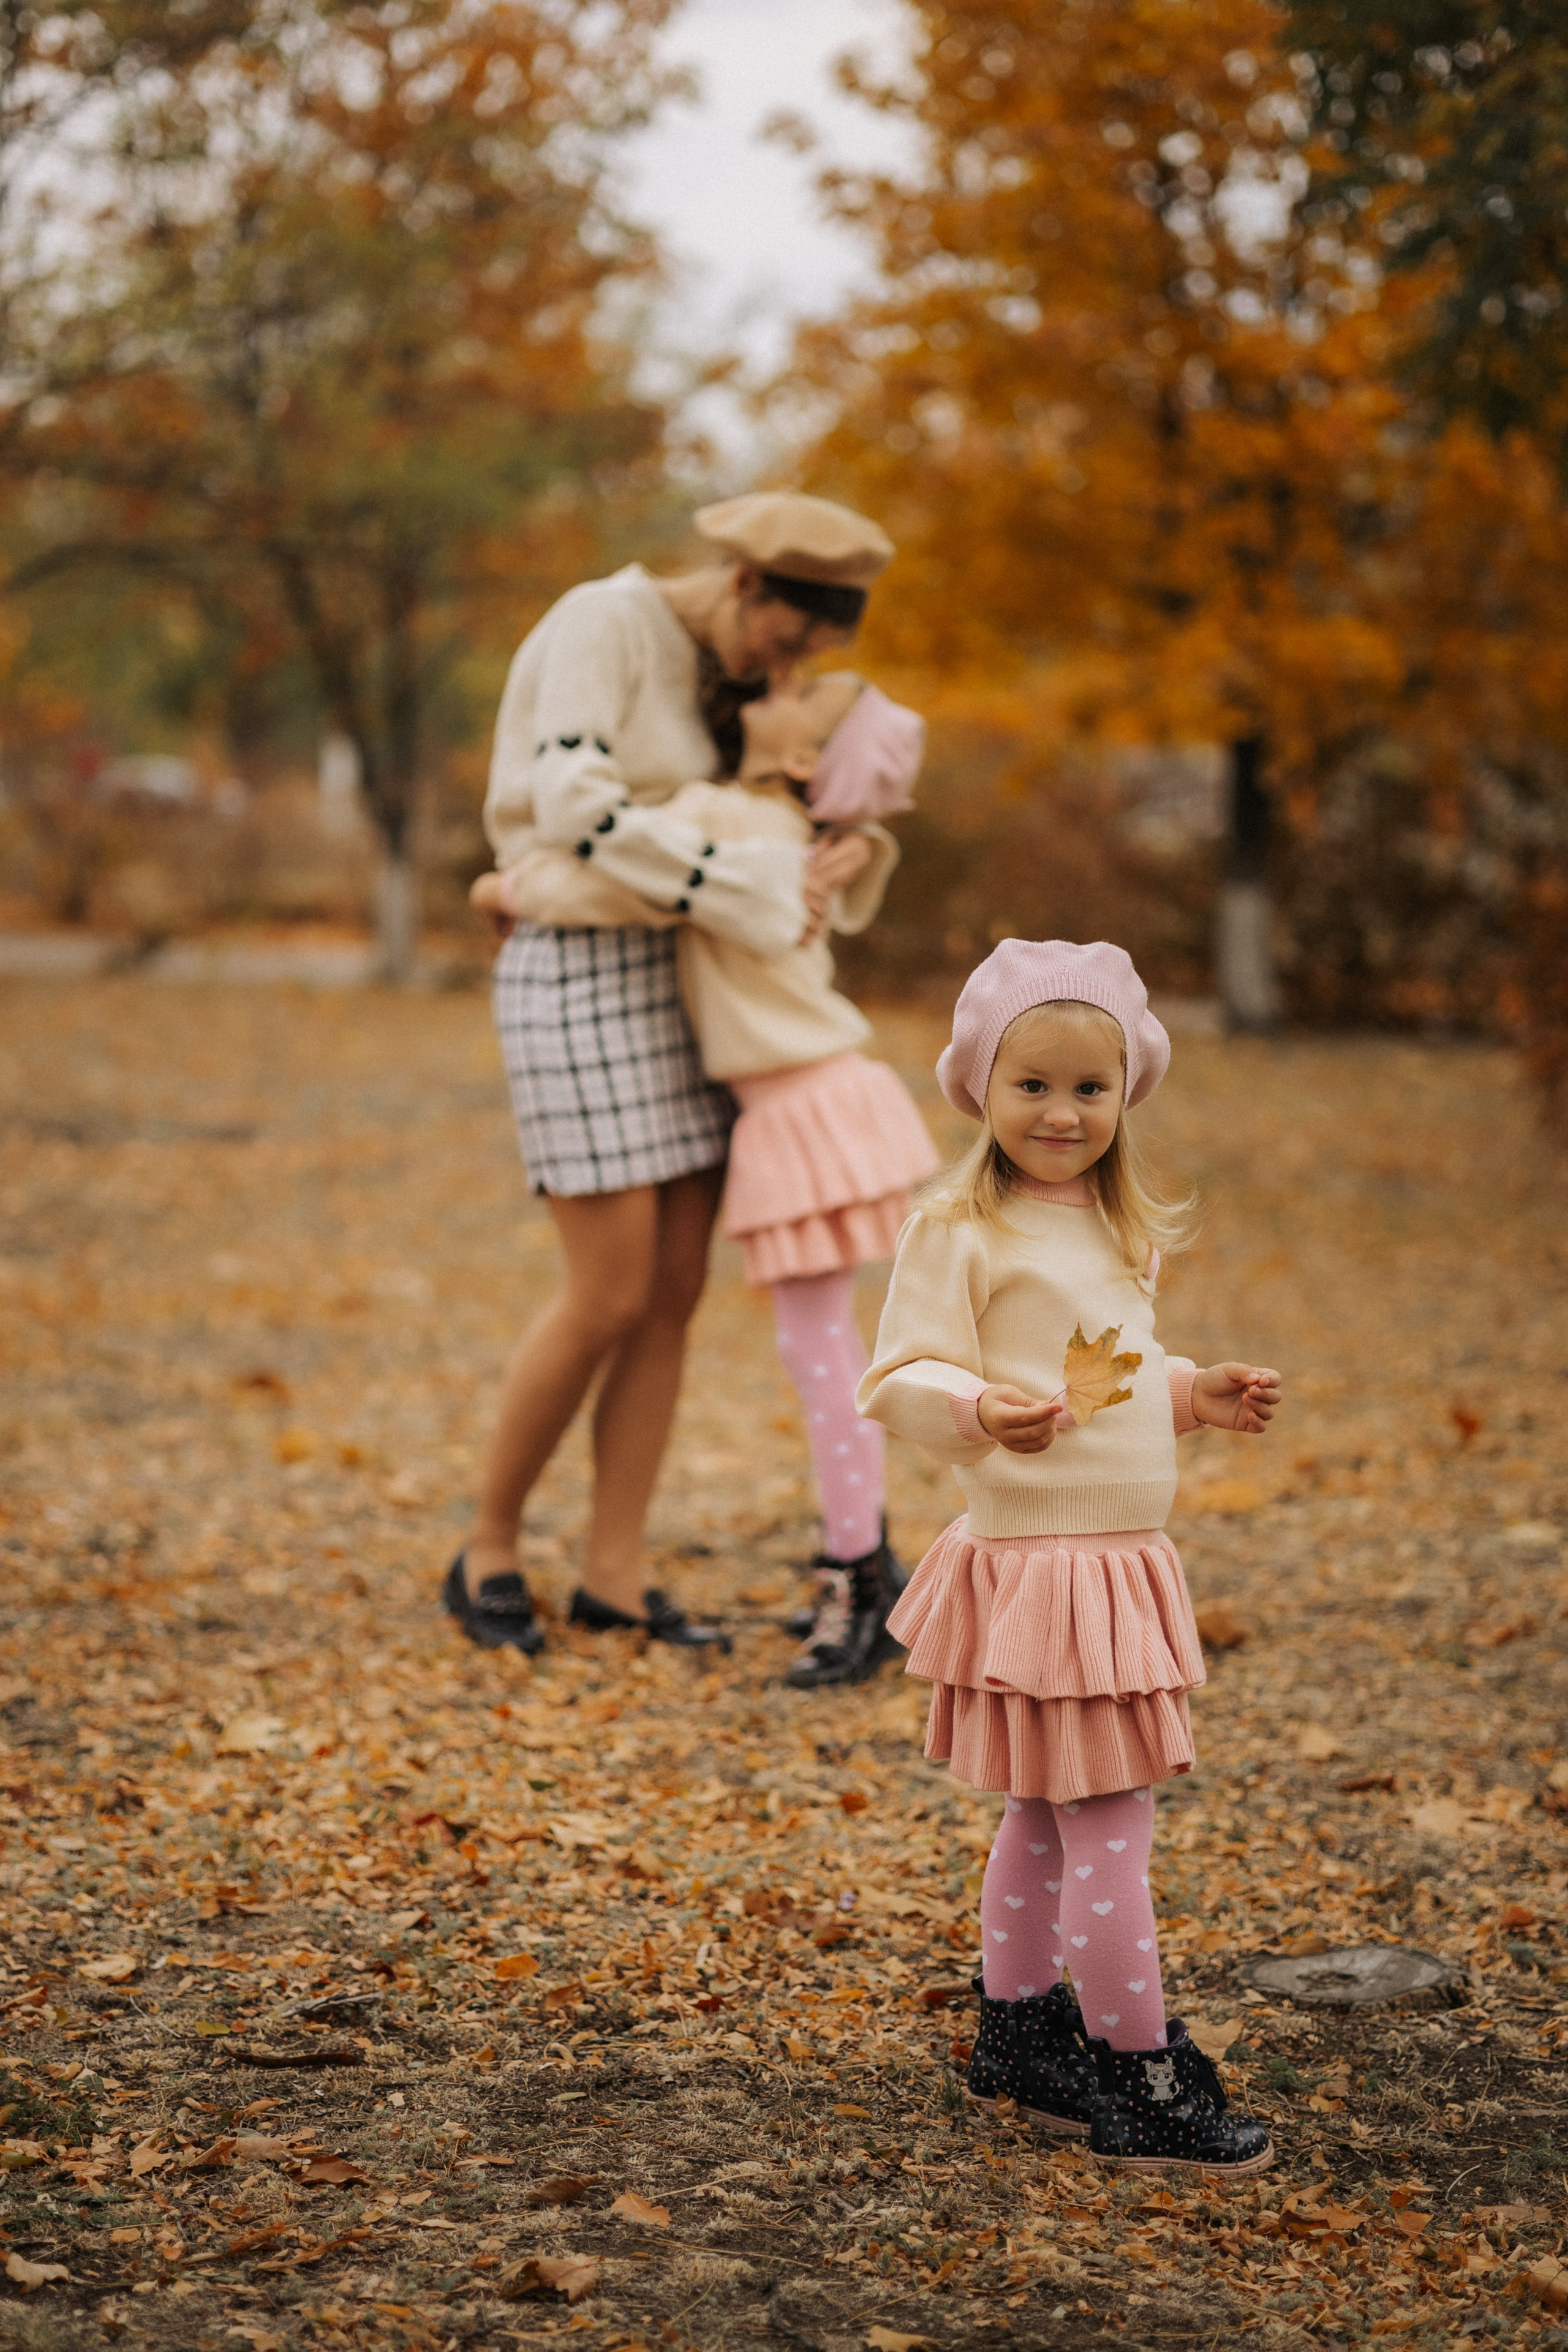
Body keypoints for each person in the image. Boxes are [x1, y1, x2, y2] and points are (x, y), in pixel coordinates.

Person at [858, 939, 1283, 2174]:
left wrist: (1196, 1392)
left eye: (1086, 1089)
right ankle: (1135, 2068)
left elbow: (1117, 1371)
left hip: (1113, 1561)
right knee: (1109, 1822)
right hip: (1041, 1563)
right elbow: (895, 1376)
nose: (1059, 1112)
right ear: (981, 1090)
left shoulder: (1117, 1226)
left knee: (1047, 1816)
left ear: (1124, 1094)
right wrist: (978, 1408)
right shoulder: (958, 1227)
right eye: (1030, 1084)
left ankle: (1020, 2030)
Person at [447, 491, 895, 1658]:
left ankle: (615, 1573)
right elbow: (572, 811)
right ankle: (487, 1546)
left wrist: (848, 848)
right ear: (748, 584)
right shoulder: (606, 622)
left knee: (675, 1288)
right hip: (580, 972)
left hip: (689, 977)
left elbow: (769, 806)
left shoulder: (727, 675)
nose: (786, 671)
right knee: (606, 1286)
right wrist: (744, 885)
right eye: (789, 641)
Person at [490, 668, 939, 1684]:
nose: (786, 680)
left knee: (824, 1353)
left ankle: (859, 1577)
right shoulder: (789, 835)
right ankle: (866, 1565)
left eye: (805, 692)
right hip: (814, 1098)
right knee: (826, 1347)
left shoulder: (732, 818)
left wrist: (503, 887)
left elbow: (602, 879)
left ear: (801, 759)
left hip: (801, 1108)